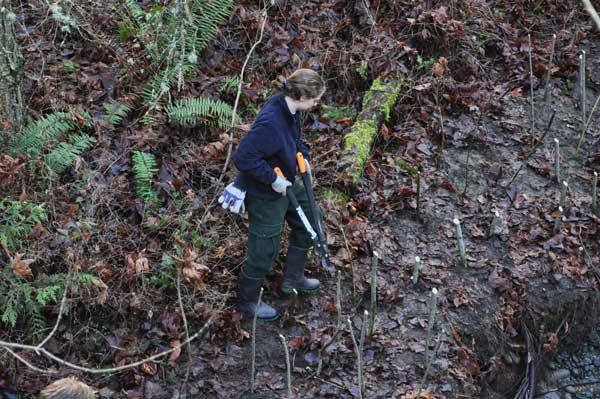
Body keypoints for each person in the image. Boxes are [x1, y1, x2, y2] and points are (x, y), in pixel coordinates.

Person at [219, 68, 326, 320]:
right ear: (301, 95)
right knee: (265, 248)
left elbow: (293, 140)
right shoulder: (270, 121)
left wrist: (303, 156)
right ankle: (246, 300)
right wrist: (273, 179)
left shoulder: (291, 110)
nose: (317, 103)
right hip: (265, 192)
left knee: (311, 219)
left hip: (289, 180)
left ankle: (293, 278)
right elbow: (244, 157)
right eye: (315, 99)